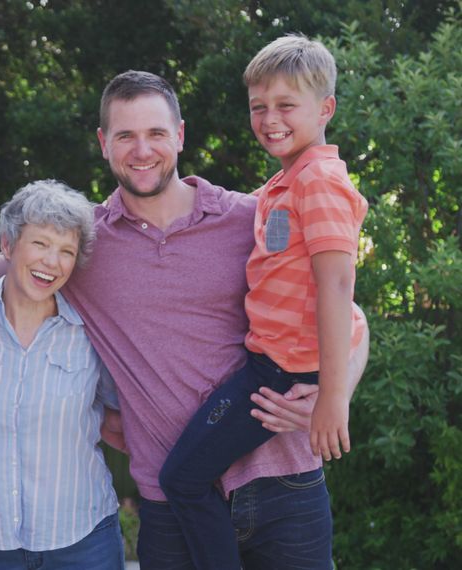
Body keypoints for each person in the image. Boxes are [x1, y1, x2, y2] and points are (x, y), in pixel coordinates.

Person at [49, 70, 369, 569]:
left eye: (155, 133)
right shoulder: (82, 245)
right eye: (125, 136)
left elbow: (352, 316)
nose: (141, 150)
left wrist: (335, 392)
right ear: (103, 144)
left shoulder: (253, 217)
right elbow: (7, 266)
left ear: (179, 134)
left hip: (283, 484)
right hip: (170, 507)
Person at [157, 36, 368, 569]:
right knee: (185, 475)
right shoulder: (283, 184)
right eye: (259, 106)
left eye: (286, 105)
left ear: (326, 109)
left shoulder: (318, 180)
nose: (269, 118)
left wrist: (334, 399)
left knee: (181, 478)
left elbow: (339, 287)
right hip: (266, 364)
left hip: (278, 373)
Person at [0, 180, 124, 570]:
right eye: (40, 244)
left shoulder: (90, 330)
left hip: (82, 539)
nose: (52, 262)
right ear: (8, 245)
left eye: (66, 251)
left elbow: (121, 411)